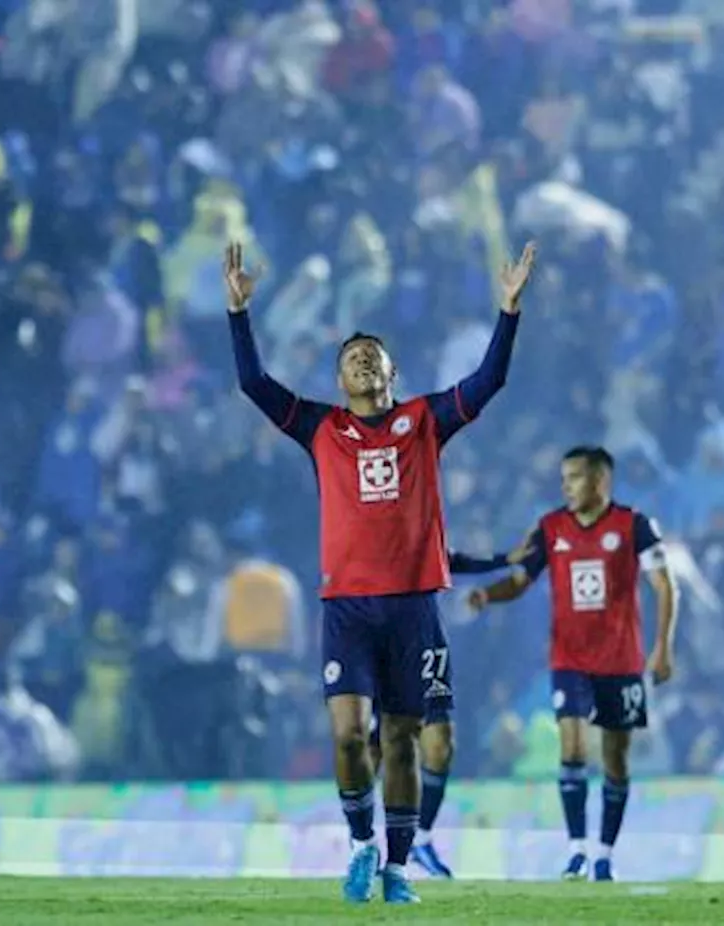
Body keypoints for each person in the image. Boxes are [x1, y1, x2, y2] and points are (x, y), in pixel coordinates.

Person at [223, 240, 537, 904]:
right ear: (340, 381)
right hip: (348, 608)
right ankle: (362, 844)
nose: (360, 359)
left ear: (392, 371)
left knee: (401, 742)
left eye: (371, 354)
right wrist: (238, 314)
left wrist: (508, 312)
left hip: (414, 609)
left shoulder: (424, 421)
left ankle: (396, 867)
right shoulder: (319, 428)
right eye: (349, 359)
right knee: (346, 736)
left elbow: (489, 384)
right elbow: (254, 385)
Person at [468, 446, 679, 883]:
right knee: (574, 748)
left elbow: (664, 585)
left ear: (600, 481)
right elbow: (522, 579)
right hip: (570, 660)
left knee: (616, 760)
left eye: (575, 477)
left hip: (621, 662)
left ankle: (604, 854)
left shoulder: (634, 525)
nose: (565, 486)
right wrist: (489, 595)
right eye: (563, 477)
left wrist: (662, 647)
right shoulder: (551, 528)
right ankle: (577, 850)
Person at [366, 547, 532, 879]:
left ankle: (421, 840)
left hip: (427, 642)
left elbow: (454, 560)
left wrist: (504, 559)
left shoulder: (420, 531)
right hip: (381, 640)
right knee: (377, 744)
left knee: (440, 745)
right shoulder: (371, 528)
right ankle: (362, 840)